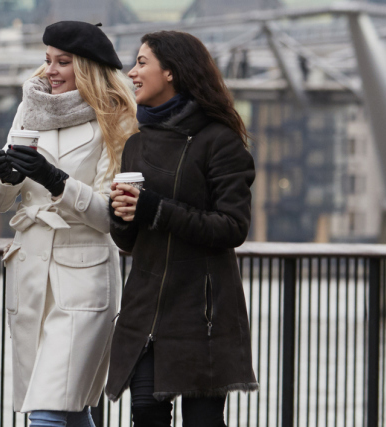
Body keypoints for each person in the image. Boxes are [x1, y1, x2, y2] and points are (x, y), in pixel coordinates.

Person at [0, 21, 137, 427]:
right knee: (66, 408)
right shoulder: (29, 108)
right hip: (30, 272)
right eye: (47, 59)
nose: (50, 70)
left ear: (87, 67)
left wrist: (57, 181)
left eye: (62, 62)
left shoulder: (117, 119)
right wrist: (7, 178)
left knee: (49, 410)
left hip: (83, 278)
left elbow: (109, 217)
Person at [106, 30, 258, 427]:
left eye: (142, 62)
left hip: (202, 313)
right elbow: (129, 241)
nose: (131, 72)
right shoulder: (135, 145)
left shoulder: (219, 141)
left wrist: (155, 209)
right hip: (147, 311)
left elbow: (232, 227)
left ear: (171, 72)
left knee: (203, 423)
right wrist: (121, 215)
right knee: (145, 413)